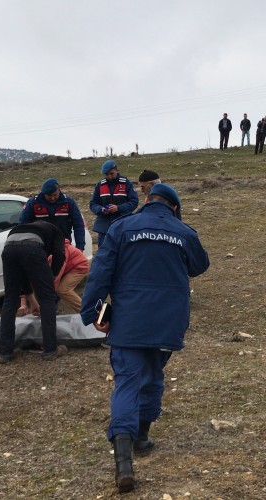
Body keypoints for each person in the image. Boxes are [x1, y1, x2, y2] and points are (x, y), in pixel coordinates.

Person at [80, 183, 210, 493]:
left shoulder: (122, 227)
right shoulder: (183, 232)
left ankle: (124, 463)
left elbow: (100, 272)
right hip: (168, 323)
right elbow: (200, 265)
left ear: (147, 200)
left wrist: (93, 312)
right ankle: (141, 436)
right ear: (174, 207)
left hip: (129, 321)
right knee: (152, 374)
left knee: (127, 381)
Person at [0, 221, 66, 363]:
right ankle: (50, 350)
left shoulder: (27, 227)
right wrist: (53, 275)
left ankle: (5, 352)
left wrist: (32, 300)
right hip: (33, 248)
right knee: (47, 298)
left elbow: (23, 273)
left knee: (10, 299)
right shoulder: (57, 231)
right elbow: (60, 254)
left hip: (9, 248)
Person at [20, 237, 89, 316]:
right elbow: (28, 279)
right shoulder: (31, 256)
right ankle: (41, 310)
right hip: (66, 267)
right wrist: (24, 303)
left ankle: (87, 312)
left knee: (63, 290)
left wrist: (48, 300)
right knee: (38, 284)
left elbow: (55, 278)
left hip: (79, 266)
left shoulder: (56, 253)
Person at [19, 177, 86, 252]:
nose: (52, 198)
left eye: (55, 195)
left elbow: (78, 225)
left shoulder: (69, 203)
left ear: (59, 190)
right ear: (43, 193)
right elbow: (23, 225)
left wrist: (80, 246)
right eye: (49, 195)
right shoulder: (33, 203)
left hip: (63, 245)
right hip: (40, 246)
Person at [89, 160, 139, 249]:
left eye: (111, 173)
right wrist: (101, 209)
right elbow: (93, 204)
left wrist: (119, 208)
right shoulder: (100, 185)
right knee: (103, 253)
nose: (109, 177)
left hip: (123, 225)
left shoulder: (126, 183)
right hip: (104, 228)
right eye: (106, 174)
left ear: (117, 170)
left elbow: (134, 201)